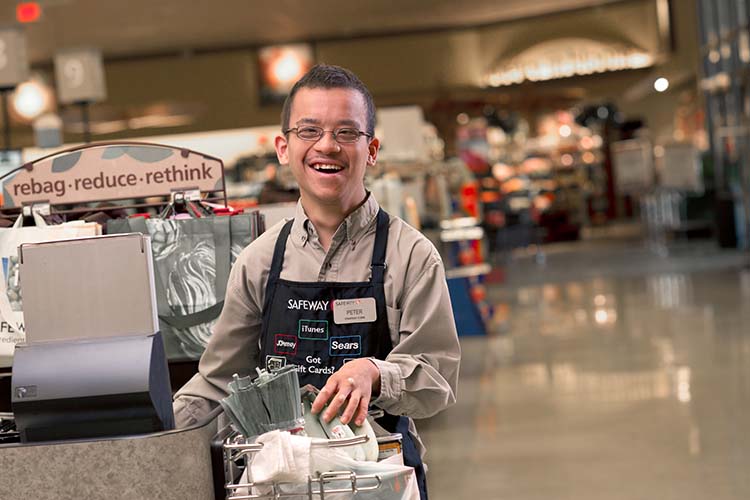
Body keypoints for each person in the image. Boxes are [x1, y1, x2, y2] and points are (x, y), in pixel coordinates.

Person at [173, 64, 460, 499]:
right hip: (282, 481)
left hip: (377, 475)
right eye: (309, 131)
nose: (327, 145)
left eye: (347, 132)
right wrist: (154, 433)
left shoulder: (411, 257)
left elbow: (436, 380)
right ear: (284, 148)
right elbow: (219, 382)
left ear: (372, 149)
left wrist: (375, 372)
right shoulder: (259, 261)